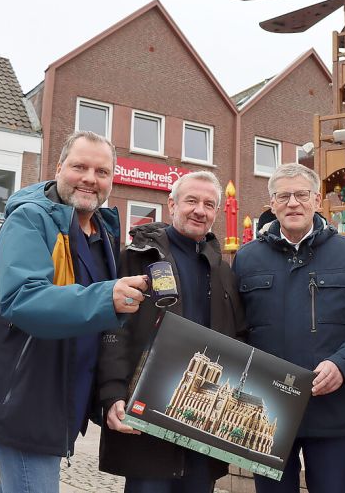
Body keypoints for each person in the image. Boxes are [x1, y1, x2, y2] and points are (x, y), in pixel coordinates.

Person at [0, 131, 148, 492]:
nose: (91, 178)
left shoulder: (101, 231)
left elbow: (98, 329)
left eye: (102, 171)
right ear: (59, 168)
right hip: (23, 401)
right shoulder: (29, 219)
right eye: (80, 166)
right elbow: (23, 299)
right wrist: (107, 298)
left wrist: (108, 392)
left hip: (56, 401)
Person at [232, 163, 345, 493]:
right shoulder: (246, 259)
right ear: (272, 203)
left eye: (301, 194)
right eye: (283, 195)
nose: (293, 203)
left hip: (329, 409)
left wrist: (342, 366)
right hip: (265, 415)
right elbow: (234, 331)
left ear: (317, 200)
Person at [97, 171, 246, 492]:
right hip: (147, 412)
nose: (199, 210)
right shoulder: (135, 258)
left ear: (216, 213)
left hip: (202, 415)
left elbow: (236, 338)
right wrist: (112, 394)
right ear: (171, 204)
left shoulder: (222, 269)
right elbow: (113, 332)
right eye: (191, 200)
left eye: (209, 204)